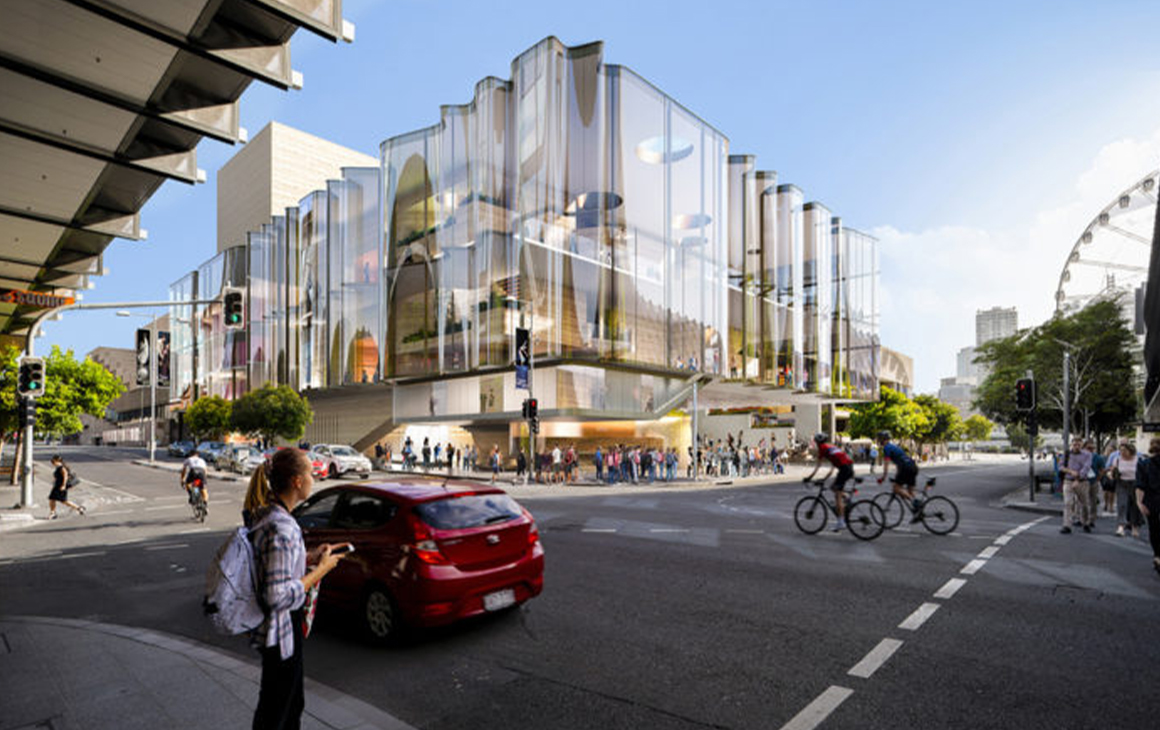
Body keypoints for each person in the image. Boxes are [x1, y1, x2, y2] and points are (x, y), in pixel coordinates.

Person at [249, 448, 349, 730]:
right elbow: (276, 594)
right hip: (282, 628)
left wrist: (307, 557)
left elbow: (272, 564)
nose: (313, 477)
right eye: (309, 472)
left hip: (273, 628)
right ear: (295, 481)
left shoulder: (268, 514)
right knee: (280, 710)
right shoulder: (283, 527)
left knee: (287, 703)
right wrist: (321, 570)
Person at [802, 433, 855, 531]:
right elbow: (832, 468)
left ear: (818, 443)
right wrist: (824, 479)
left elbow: (818, 466)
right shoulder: (830, 447)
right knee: (833, 487)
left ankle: (841, 522)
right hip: (848, 467)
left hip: (844, 469)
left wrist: (809, 478)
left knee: (837, 496)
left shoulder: (823, 449)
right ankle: (848, 500)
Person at [876, 431, 921, 520]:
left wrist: (883, 477)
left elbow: (886, 464)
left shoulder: (887, 448)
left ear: (882, 440)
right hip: (913, 466)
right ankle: (919, 513)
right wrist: (897, 475)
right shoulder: (895, 446)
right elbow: (900, 461)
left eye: (879, 439)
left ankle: (915, 502)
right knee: (910, 492)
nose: (878, 441)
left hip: (905, 468)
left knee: (896, 488)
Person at [1133, 438, 1160, 575]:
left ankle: (1157, 555)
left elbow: (1140, 485)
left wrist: (1139, 502)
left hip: (1152, 501)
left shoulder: (1143, 464)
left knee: (1154, 529)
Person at [1059, 437, 1094, 534]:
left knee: (1084, 504)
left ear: (1082, 445)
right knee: (1068, 503)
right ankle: (1067, 525)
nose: (1076, 447)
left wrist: (1078, 479)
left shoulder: (1087, 455)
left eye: (1079, 445)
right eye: (1074, 445)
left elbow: (1086, 467)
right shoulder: (1066, 454)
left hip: (1082, 481)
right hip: (1068, 480)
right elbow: (1060, 466)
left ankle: (1086, 522)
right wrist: (1070, 471)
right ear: (1071, 445)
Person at [1115, 442, 1142, 538]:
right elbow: (1112, 470)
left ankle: (1135, 526)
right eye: (1120, 450)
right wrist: (1111, 473)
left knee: (1135, 505)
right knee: (1122, 504)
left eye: (1124, 450)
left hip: (1135, 484)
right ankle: (1121, 526)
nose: (1122, 452)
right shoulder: (1118, 459)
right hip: (1122, 483)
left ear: (1130, 450)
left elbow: (1142, 472)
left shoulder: (1138, 459)